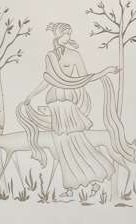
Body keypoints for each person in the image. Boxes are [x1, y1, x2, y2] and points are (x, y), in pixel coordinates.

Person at [21, 22, 123, 196]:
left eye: (69, 33)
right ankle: (71, 187)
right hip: (54, 104)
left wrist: (105, 71)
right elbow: (48, 80)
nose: (67, 37)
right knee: (62, 147)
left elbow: (84, 78)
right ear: (57, 36)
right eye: (65, 34)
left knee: (78, 142)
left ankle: (95, 179)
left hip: (68, 104)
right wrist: (31, 95)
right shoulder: (50, 56)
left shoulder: (75, 55)